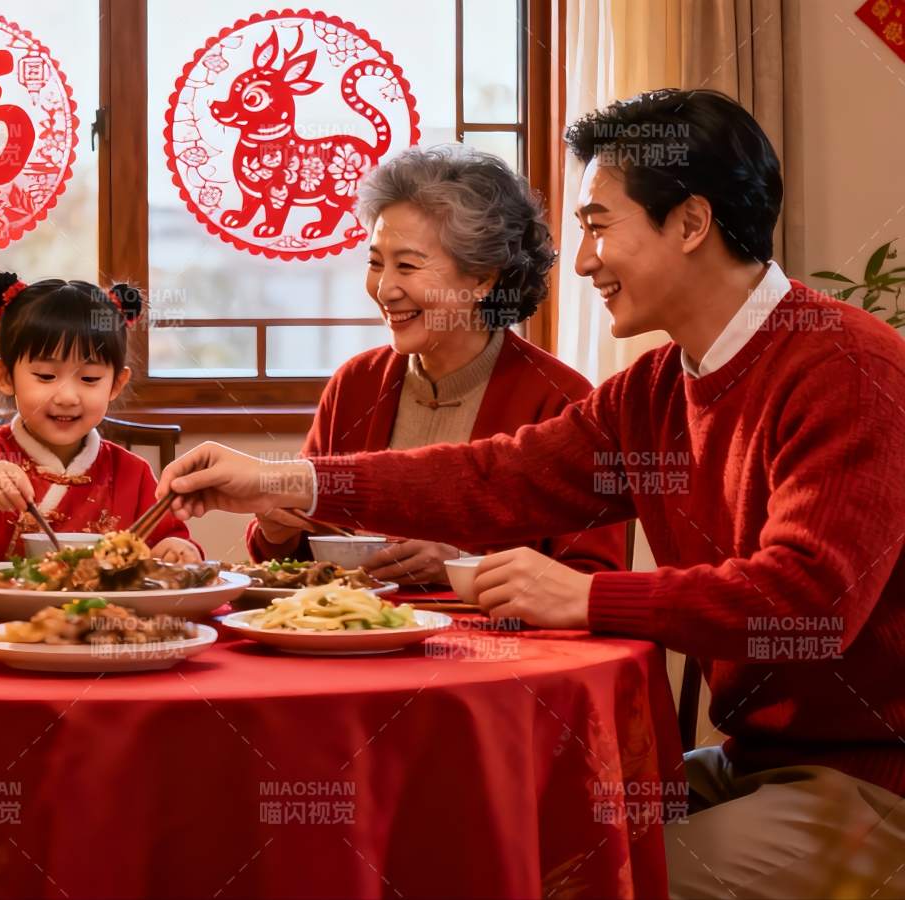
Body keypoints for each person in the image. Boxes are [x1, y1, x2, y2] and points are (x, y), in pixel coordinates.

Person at [156, 89, 905, 897]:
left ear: (690, 225)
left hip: (872, 779)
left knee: (589, 886)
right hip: (747, 762)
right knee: (486, 846)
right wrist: (280, 479)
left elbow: (808, 603)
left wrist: (588, 597)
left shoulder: (850, 368)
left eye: (598, 225)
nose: (580, 261)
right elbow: (492, 477)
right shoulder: (654, 387)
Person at [246, 144, 625, 582]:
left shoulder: (563, 401)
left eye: (407, 266)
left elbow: (591, 578)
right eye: (375, 263)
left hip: (501, 648)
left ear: (483, 277)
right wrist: (276, 533)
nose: (385, 288)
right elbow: (301, 562)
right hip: (355, 644)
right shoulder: (356, 384)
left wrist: (459, 565)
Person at [0, 273, 201, 562]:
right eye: (46, 376)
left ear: (116, 384)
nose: (67, 397)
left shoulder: (132, 474)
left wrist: (175, 551)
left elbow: (168, 539)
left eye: (90, 379)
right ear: (4, 376)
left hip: (104, 619)